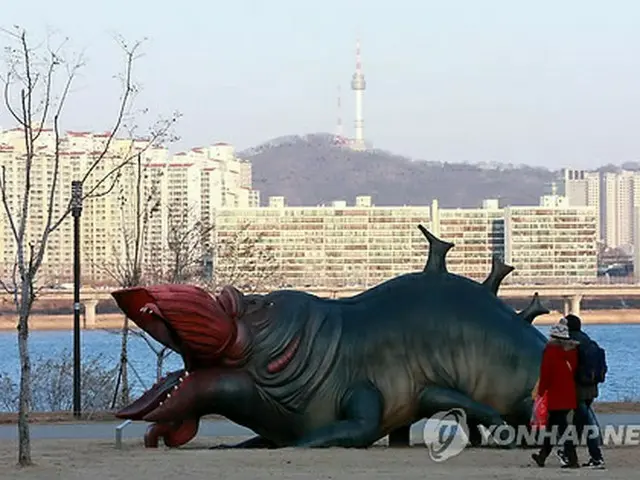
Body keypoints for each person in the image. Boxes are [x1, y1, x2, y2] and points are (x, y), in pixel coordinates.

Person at [558, 314, 606, 469]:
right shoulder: (588, 340)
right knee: (580, 423)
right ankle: (569, 453)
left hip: (576, 389)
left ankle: (596, 456)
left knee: (586, 422)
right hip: (591, 388)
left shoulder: (569, 342)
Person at [531, 321, 580, 469]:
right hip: (567, 393)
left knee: (561, 428)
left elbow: (546, 373)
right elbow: (573, 370)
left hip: (555, 394)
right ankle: (542, 455)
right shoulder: (571, 351)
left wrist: (540, 392)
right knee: (555, 427)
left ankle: (572, 459)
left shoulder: (550, 351)